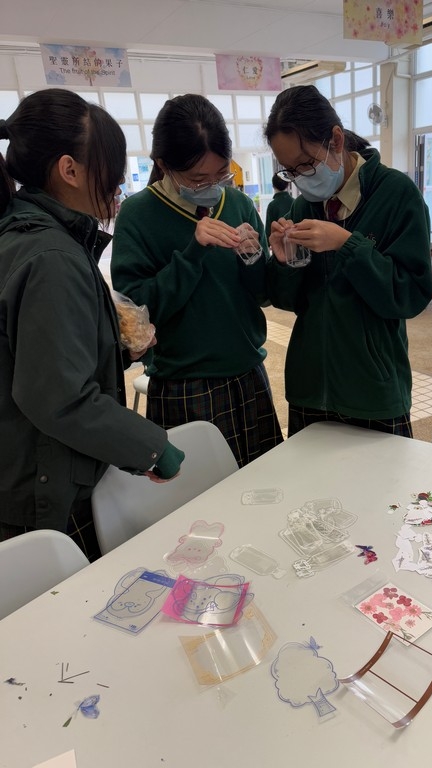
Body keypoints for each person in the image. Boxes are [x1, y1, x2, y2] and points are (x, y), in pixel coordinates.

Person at [0, 89, 184, 561]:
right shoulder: (50, 257)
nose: (119, 181)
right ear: (70, 170)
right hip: (42, 486)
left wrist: (111, 349)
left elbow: (34, 356)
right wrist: (150, 447)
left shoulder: (31, 236)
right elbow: (58, 397)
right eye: (111, 167)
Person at [111, 94, 283, 467]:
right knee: (197, 494)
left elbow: (262, 294)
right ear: (163, 165)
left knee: (263, 484)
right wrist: (192, 253)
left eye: (221, 174)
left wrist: (254, 257)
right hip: (183, 384)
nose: (212, 185)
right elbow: (135, 315)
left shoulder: (237, 203)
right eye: (198, 179)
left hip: (248, 373)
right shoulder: (138, 215)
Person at [264, 85, 432, 438]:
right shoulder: (304, 206)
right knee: (309, 475)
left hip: (373, 391)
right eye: (290, 171)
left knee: (384, 475)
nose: (301, 180)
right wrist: (284, 262)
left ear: (336, 140)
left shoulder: (396, 194)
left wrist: (347, 245)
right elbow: (288, 300)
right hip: (310, 387)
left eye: (306, 164)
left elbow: (410, 295)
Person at [265, 173, 293, 243]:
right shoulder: (295, 202)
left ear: (273, 186)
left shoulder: (272, 205)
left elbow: (268, 231)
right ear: (288, 184)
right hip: (295, 242)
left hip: (278, 243)